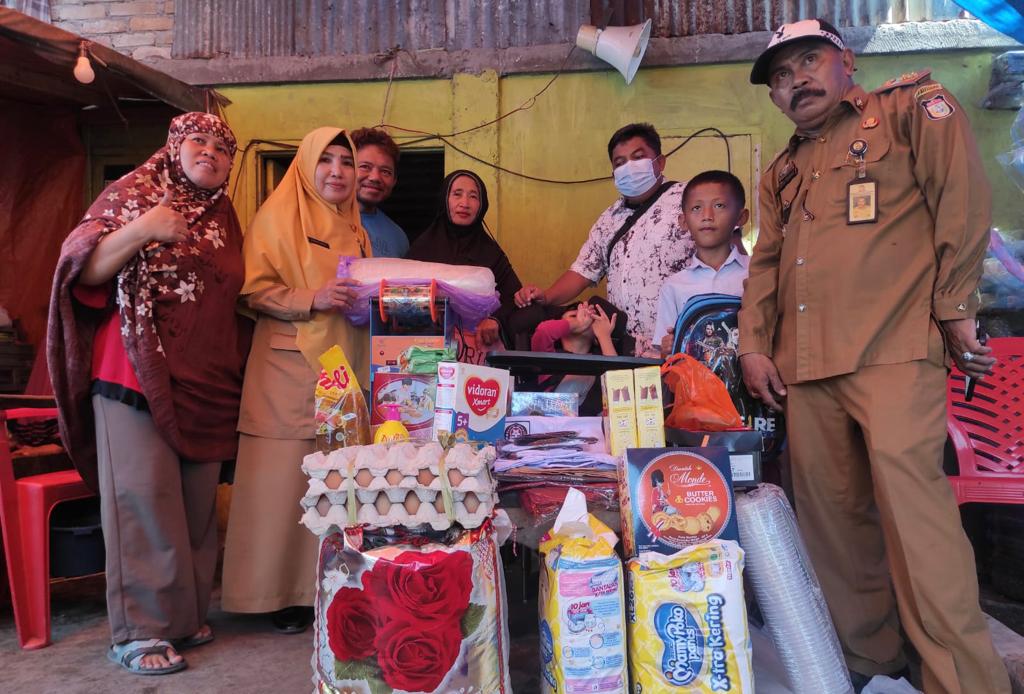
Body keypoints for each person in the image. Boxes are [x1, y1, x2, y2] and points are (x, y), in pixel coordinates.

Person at [739, 18, 1008, 693]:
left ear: (845, 62)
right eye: (779, 75)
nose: (794, 80)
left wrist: (954, 307)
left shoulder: (910, 111)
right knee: (835, 532)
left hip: (892, 352)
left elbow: (963, 201)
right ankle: (870, 666)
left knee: (919, 531)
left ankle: (964, 681)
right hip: (805, 368)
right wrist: (753, 345)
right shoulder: (784, 170)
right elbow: (765, 264)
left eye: (807, 61)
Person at [47, 112, 250, 675]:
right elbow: (82, 269)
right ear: (175, 147)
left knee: (193, 504)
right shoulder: (135, 191)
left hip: (206, 376)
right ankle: (139, 630)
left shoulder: (223, 215)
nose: (210, 153)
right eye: (199, 142)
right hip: (134, 368)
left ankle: (182, 618)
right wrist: (142, 230)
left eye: (222, 148)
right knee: (141, 497)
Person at [222, 127, 371, 634]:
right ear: (305, 165)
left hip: (340, 367)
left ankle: (316, 592)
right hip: (289, 368)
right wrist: (314, 298)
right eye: (326, 160)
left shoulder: (355, 225)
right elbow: (254, 291)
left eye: (346, 162)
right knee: (280, 481)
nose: (337, 171)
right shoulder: (277, 215)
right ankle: (271, 597)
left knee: (329, 480)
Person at [514, 123, 694, 355]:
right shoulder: (609, 219)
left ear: (659, 162)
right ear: (613, 174)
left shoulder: (689, 200)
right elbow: (583, 270)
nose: (629, 167)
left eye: (637, 158)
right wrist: (546, 296)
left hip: (678, 348)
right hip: (624, 351)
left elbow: (725, 249)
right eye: (620, 163)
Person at [407, 169, 521, 347]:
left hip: (477, 349)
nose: (464, 203)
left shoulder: (491, 253)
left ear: (482, 205)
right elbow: (402, 296)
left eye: (473, 196)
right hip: (425, 348)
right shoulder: (423, 248)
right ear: (445, 199)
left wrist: (495, 320)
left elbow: (514, 298)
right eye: (457, 194)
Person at [652, 170, 750, 357]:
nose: (707, 216)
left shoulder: (756, 273)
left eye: (719, 205)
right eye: (696, 208)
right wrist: (667, 349)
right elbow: (668, 355)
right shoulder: (674, 286)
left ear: (741, 217)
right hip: (694, 385)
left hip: (749, 383)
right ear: (683, 221)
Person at [352, 127, 409, 258]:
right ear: (347, 169)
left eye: (385, 172)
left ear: (394, 180)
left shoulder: (398, 237)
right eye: (365, 167)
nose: (375, 177)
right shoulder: (322, 222)